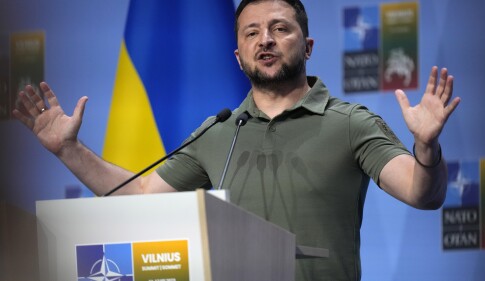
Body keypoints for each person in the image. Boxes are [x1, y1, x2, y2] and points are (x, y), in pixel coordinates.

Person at [13, 0, 460, 280]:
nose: (265, 39)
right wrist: (69, 151)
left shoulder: (350, 122)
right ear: (238, 56)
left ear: (307, 46)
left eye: (281, 28)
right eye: (251, 33)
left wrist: (426, 147)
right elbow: (141, 193)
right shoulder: (219, 131)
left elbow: (423, 194)